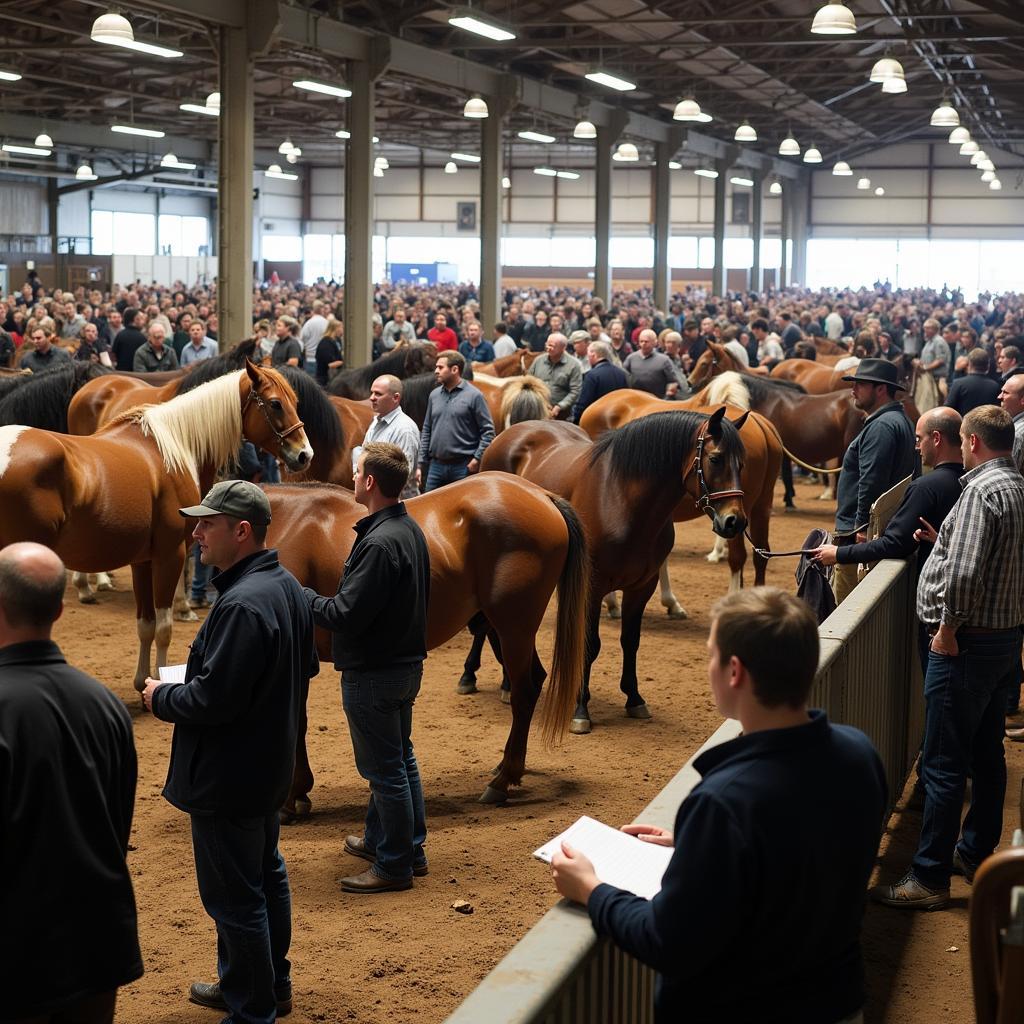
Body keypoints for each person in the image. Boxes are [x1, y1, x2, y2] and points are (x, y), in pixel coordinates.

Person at [550, 588, 886, 1024]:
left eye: (710, 655)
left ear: (734, 672)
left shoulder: (724, 803)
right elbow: (805, 849)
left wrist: (591, 891)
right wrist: (697, 848)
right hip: (837, 1002)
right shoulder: (858, 753)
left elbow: (669, 942)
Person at [142, 480, 318, 1022]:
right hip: (265, 767)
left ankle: (252, 1008)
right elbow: (299, 670)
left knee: (235, 898)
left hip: (229, 774)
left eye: (206, 525)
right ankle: (265, 982)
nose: (195, 535)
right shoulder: (283, 585)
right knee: (266, 877)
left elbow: (213, 700)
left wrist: (160, 696)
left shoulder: (243, 603)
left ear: (240, 531)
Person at [873, 406, 1024, 909]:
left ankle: (929, 876)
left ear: (974, 443)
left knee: (942, 761)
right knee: (987, 752)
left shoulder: (980, 491)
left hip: (966, 643)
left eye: (962, 441)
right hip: (1002, 639)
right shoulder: (1014, 484)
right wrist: (947, 545)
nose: (959, 449)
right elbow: (994, 556)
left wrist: (947, 630)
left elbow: (963, 579)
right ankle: (976, 851)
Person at [0, 542, 143, 1024]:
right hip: (96, 945)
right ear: (60, 609)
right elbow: (117, 825)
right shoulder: (105, 703)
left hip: (16, 956)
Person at [303, 442, 431, 893]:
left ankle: (394, 865)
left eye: (358, 473)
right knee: (401, 760)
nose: (353, 478)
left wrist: (300, 595)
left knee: (385, 770)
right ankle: (400, 845)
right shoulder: (405, 528)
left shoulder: (378, 542)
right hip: (402, 665)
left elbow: (344, 614)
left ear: (370, 481)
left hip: (375, 672)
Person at [810, 408, 965, 671]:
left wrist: (838, 554)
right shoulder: (967, 481)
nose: (917, 447)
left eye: (920, 439)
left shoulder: (926, 487)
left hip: (939, 612)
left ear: (936, 438)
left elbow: (895, 543)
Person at [832, 359, 917, 604]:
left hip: (859, 534)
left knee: (847, 606)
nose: (853, 390)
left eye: (860, 384)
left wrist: (860, 528)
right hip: (878, 529)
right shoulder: (897, 421)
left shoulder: (881, 426)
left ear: (880, 389)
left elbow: (871, 481)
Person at [417, 351, 494, 491]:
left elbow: (488, 431)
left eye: (440, 367)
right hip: (436, 466)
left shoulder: (474, 396)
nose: (436, 371)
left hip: (462, 466)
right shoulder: (434, 396)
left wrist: (477, 459)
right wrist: (420, 463)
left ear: (454, 369)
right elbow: (427, 429)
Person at [353, 375, 421, 499]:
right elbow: (364, 455)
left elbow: (402, 475)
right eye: (372, 392)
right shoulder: (375, 422)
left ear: (395, 398)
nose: (372, 398)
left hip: (399, 504)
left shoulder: (405, 429)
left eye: (378, 394)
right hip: (378, 500)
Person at [528, 332, 583, 421]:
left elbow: (575, 391)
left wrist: (559, 406)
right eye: (547, 345)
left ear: (563, 348)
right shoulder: (538, 361)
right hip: (537, 409)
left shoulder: (573, 365)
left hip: (561, 414)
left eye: (553, 346)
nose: (548, 348)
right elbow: (528, 382)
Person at [571, 340, 629, 423]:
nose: (588, 358)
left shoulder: (592, 375)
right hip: (617, 420)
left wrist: (575, 419)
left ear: (593, 355)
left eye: (588, 355)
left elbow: (584, 403)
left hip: (597, 422)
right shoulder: (621, 373)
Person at [622, 329, 679, 399]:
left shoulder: (664, 360)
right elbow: (622, 374)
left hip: (657, 401)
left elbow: (673, 381)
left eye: (646, 341)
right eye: (641, 341)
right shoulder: (631, 358)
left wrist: (670, 391)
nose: (643, 344)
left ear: (654, 343)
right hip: (636, 400)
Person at [944, 348, 1000, 415]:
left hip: (963, 424)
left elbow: (948, 409)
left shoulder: (958, 384)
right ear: (988, 365)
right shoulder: (995, 386)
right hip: (987, 425)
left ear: (969, 364)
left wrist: (956, 371)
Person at [299, 300, 328, 375]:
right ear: (322, 310)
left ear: (313, 310)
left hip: (310, 359)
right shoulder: (326, 323)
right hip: (323, 360)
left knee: (310, 384)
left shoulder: (308, 323)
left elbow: (301, 339)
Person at [314, 318, 344, 386]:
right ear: (336, 328)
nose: (343, 330)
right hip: (324, 379)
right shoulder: (325, 343)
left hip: (333, 378)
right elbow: (330, 364)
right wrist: (344, 362)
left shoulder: (337, 340)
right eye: (341, 328)